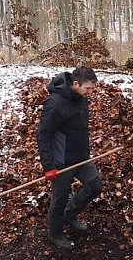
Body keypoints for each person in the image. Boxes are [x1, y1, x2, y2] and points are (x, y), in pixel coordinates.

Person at [37, 66, 102, 249]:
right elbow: (43, 135)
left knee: (95, 187)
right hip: (61, 161)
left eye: (92, 88)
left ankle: (70, 213)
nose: (90, 93)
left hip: (81, 157)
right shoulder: (55, 103)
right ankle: (55, 234)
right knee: (60, 198)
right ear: (75, 84)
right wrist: (48, 166)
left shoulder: (80, 98)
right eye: (88, 88)